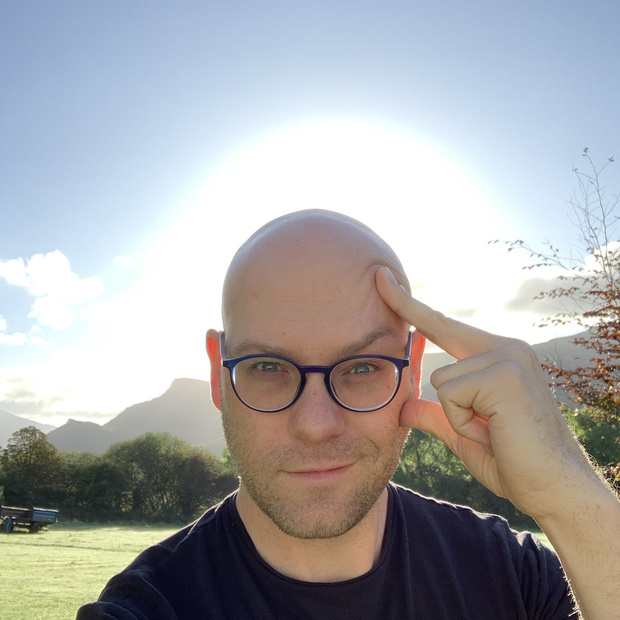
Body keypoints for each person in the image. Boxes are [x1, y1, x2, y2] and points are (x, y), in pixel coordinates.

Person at [78, 209, 620, 620]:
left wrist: (573, 501)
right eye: (267, 367)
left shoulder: (513, 577)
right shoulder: (147, 608)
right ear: (220, 375)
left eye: (362, 367)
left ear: (411, 371)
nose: (316, 424)